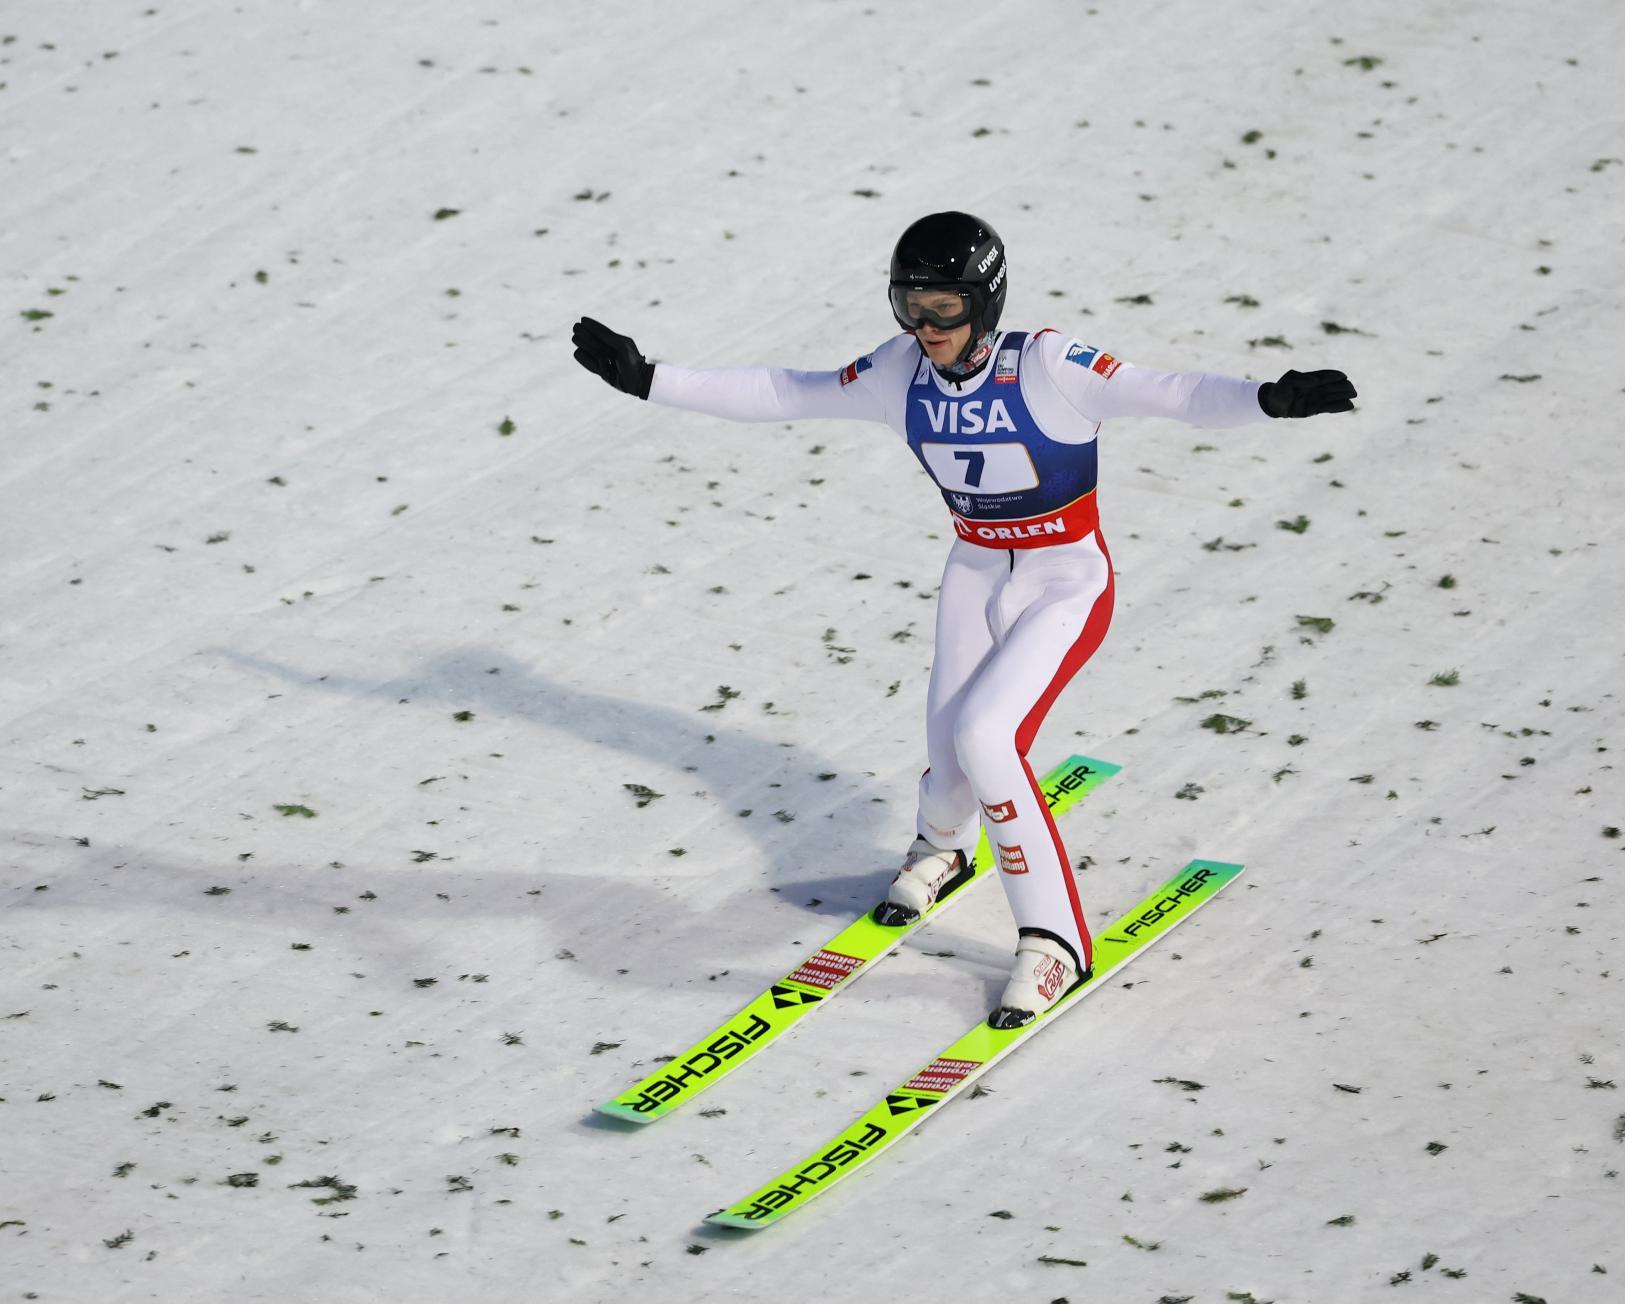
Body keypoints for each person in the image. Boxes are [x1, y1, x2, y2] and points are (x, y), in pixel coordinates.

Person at [572, 211, 1355, 1029]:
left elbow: (1179, 393)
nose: (925, 326)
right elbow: (784, 392)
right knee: (947, 742)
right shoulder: (897, 370)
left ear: (985, 302)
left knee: (989, 737)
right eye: (909, 304)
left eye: (944, 307)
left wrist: (1270, 400)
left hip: (1064, 578)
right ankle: (943, 848)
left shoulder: (1049, 363)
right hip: (976, 568)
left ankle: (1055, 940)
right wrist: (647, 378)